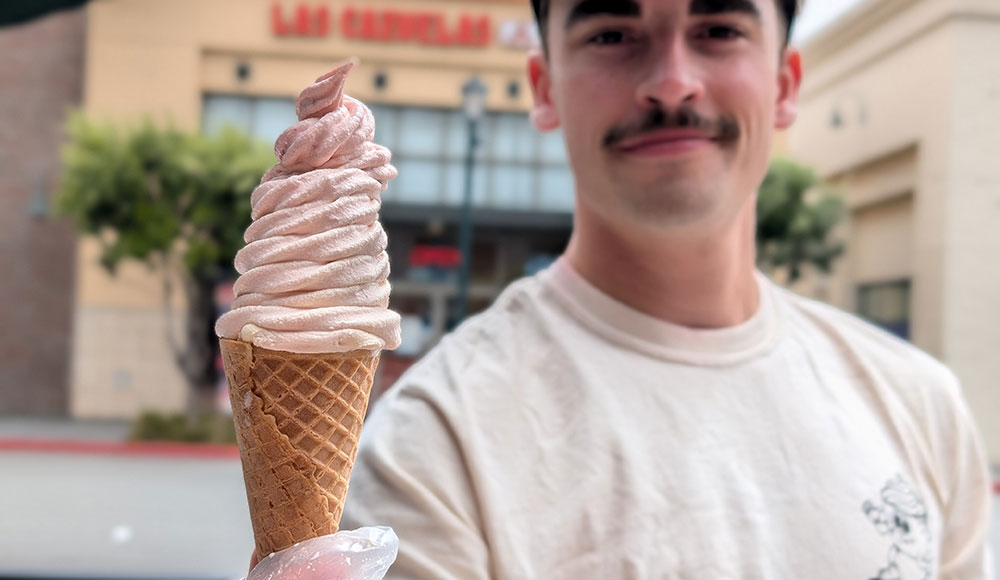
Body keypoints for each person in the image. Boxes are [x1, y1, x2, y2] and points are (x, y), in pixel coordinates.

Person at [340, 0, 995, 578]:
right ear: (544, 89)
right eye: (612, 34)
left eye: (717, 28)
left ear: (785, 83)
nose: (673, 84)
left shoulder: (921, 407)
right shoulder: (432, 447)